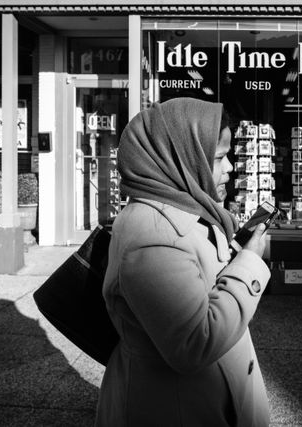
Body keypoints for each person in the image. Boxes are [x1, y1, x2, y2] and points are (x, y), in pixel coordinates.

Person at [95, 97, 271, 427]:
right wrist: (248, 263)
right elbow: (194, 343)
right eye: (220, 157)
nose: (230, 167)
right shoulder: (152, 234)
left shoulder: (187, 208)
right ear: (183, 160)